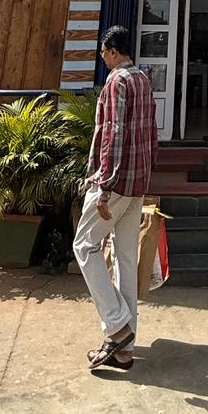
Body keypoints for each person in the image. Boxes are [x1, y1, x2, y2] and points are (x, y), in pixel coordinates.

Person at [73, 25, 158, 371]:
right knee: (124, 258)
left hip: (116, 182)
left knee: (84, 246)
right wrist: (145, 174)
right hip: (136, 181)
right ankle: (124, 349)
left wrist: (104, 185)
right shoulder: (143, 80)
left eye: (102, 50)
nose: (101, 56)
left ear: (112, 50)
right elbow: (152, 132)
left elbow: (113, 133)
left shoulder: (117, 82)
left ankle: (116, 324)